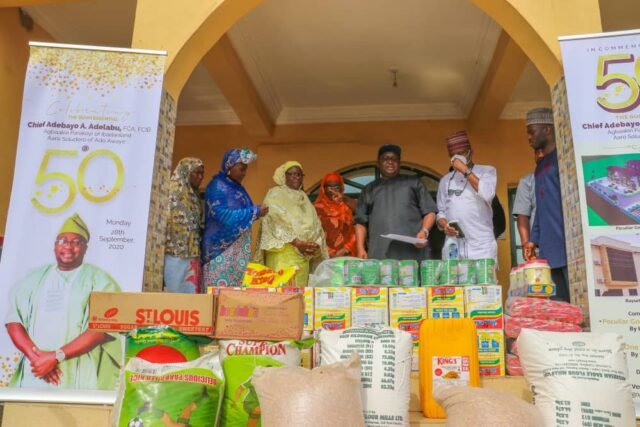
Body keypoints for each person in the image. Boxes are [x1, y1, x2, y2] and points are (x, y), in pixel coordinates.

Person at [5, 214, 121, 389]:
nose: (68, 246)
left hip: (78, 374)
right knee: (29, 414)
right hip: (35, 371)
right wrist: (38, 359)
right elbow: (14, 321)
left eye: (76, 242)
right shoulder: (34, 278)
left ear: (85, 248)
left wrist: (55, 357)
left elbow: (101, 330)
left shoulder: (101, 281)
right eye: (62, 241)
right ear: (54, 247)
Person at [354, 144, 437, 261]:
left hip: (412, 253)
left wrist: (424, 231)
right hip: (380, 253)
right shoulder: (369, 190)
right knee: (381, 279)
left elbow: (430, 212)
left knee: (411, 279)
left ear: (399, 163)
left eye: (394, 159)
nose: (390, 162)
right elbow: (360, 222)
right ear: (378, 164)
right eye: (385, 159)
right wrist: (360, 248)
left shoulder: (414, 183)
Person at [522, 108, 570, 302]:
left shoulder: (564, 161)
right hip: (549, 252)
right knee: (560, 309)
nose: (529, 137)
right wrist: (533, 239)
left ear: (548, 130)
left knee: (579, 307)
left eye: (532, 131)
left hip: (568, 248)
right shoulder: (540, 167)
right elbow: (541, 208)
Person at [202, 148, 267, 288]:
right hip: (220, 250)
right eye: (241, 169)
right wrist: (255, 211)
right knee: (218, 293)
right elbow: (223, 216)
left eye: (246, 169)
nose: (244, 173)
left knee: (233, 295)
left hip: (236, 252)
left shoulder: (236, 187)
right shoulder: (218, 187)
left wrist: (255, 212)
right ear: (229, 167)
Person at [255, 161, 328, 285]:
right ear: (284, 176)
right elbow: (273, 221)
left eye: (299, 174)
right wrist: (297, 242)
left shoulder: (304, 197)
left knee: (299, 297)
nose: (297, 177)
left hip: (303, 255)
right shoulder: (275, 193)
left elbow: (315, 224)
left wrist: (313, 245)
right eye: (292, 174)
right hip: (283, 254)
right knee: (282, 294)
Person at [436, 131, 498, 261]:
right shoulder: (445, 180)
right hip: (454, 247)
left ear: (471, 151)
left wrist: (465, 170)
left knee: (484, 281)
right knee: (453, 281)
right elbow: (440, 212)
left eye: (462, 153)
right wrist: (445, 225)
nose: (458, 158)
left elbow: (487, 193)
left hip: (481, 247)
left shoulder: (487, 171)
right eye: (454, 155)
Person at [164, 157, 205, 293]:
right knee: (175, 292)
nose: (200, 177)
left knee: (189, 293)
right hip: (175, 253)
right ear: (186, 172)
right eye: (196, 173)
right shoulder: (171, 191)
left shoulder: (194, 194)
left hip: (191, 253)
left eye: (202, 174)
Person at [313, 172, 357, 258]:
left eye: (337, 187)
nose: (333, 190)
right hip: (324, 254)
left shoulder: (347, 206)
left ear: (342, 188)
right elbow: (314, 233)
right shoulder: (316, 208)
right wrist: (330, 252)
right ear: (323, 188)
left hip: (348, 253)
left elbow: (356, 228)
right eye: (329, 187)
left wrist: (346, 249)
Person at [512, 149, 545, 252]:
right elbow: (522, 215)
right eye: (537, 152)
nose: (540, 154)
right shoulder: (527, 181)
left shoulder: (562, 177)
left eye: (543, 151)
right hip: (536, 246)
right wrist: (525, 243)